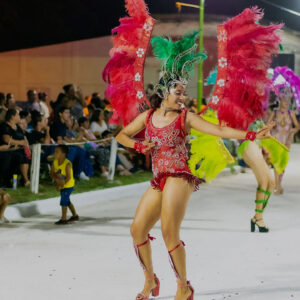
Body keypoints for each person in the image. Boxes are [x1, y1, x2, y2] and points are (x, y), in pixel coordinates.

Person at [268, 86, 300, 194]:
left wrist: (292, 132)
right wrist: (271, 127)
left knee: (282, 164)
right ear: (280, 101)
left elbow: (297, 126)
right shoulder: (275, 112)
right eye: (284, 101)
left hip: (286, 142)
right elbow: (268, 124)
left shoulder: (291, 114)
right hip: (276, 141)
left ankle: (279, 185)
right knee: (277, 163)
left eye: (288, 101)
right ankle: (277, 186)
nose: (286, 103)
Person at [0, 109, 31, 186]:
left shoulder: (18, 127)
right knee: (18, 156)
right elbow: (6, 139)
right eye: (17, 115)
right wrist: (20, 143)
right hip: (8, 149)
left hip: (20, 149)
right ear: (12, 117)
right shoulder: (4, 126)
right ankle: (24, 180)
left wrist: (25, 144)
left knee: (27, 156)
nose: (19, 116)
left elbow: (24, 138)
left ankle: (25, 179)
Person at [50, 145, 79, 225]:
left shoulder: (67, 164)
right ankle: (75, 215)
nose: (54, 153)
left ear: (63, 154)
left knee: (63, 201)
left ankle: (63, 218)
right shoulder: (55, 162)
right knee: (67, 201)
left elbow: (69, 177)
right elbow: (52, 173)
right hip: (62, 184)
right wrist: (56, 180)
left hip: (68, 185)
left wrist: (61, 185)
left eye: (57, 152)